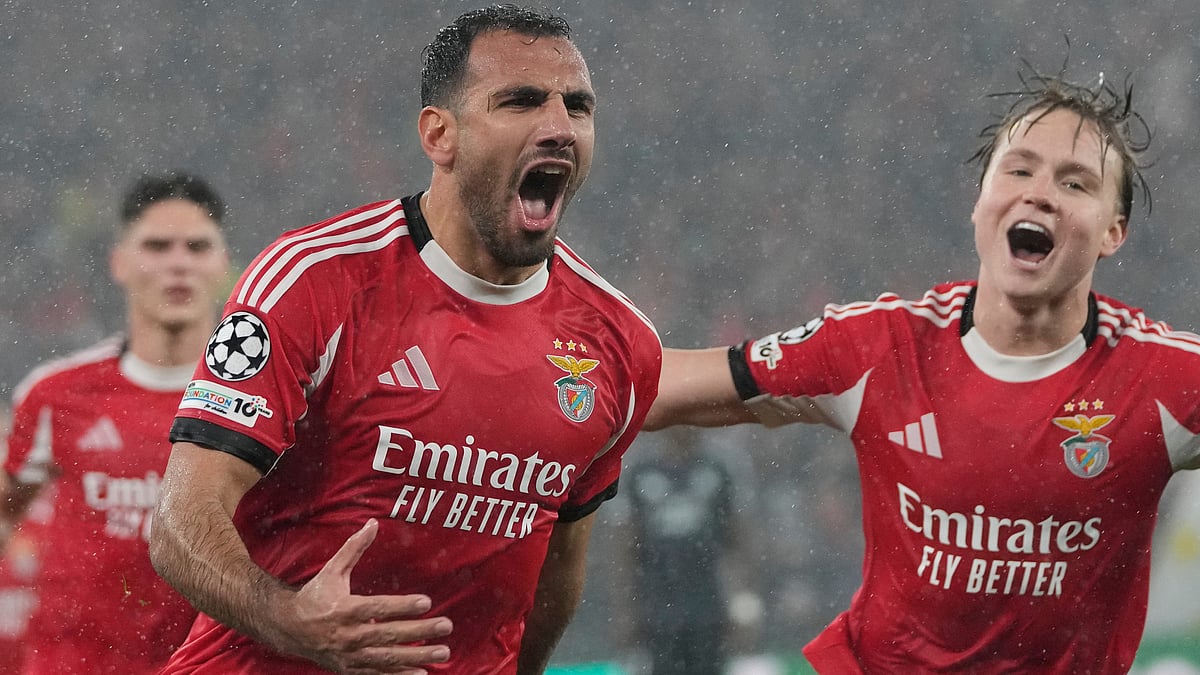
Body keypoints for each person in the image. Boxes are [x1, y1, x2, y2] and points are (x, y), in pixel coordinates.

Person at [148, 5, 661, 674]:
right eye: (521, 101)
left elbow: (556, 570)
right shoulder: (314, 280)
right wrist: (291, 620)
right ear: (440, 135)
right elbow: (180, 520)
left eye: (578, 106)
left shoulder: (622, 343)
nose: (559, 127)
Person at [644, 68, 1200, 674]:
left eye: (1075, 182)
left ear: (1112, 233)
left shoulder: (1163, 379)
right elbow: (661, 390)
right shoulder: (879, 347)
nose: (1038, 192)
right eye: (1018, 169)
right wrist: (536, 368)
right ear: (981, 202)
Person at [1, 170, 230, 672]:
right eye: (157, 245)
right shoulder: (54, 394)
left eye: (196, 247)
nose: (178, 264)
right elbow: (5, 510)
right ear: (119, 263)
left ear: (222, 263)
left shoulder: (265, 397)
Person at [612, 426, 760, 675]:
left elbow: (742, 540)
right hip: (657, 607)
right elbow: (625, 546)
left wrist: (744, 600)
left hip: (711, 605)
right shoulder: (639, 470)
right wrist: (625, 608)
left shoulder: (721, 466)